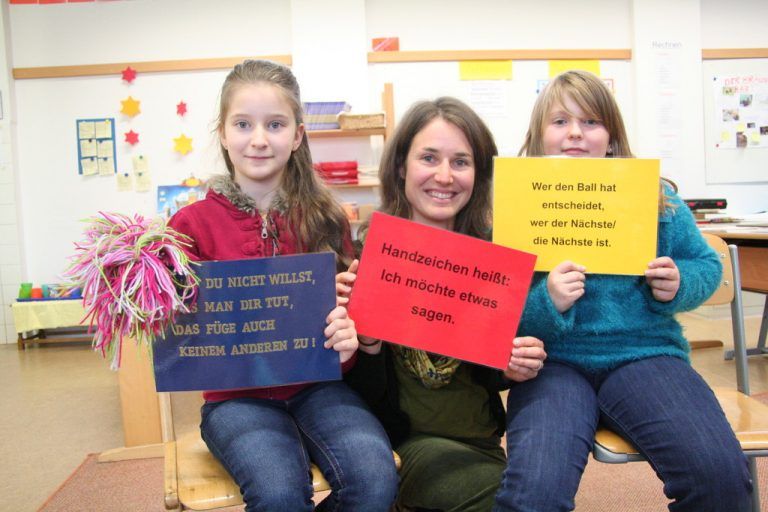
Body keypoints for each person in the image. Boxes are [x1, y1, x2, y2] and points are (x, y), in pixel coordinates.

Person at [494, 70, 752, 512]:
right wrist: (547, 301)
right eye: (559, 122)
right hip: (551, 364)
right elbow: (494, 308)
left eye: (591, 121)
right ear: (538, 137)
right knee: (533, 494)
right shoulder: (511, 206)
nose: (575, 132)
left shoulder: (656, 201)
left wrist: (678, 283)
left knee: (720, 478)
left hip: (646, 356)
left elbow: (706, 265)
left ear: (611, 138)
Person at [167, 59, 398, 512]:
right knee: (278, 495)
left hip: (321, 389)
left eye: (275, 124)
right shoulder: (188, 226)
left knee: (375, 479)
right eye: (243, 124)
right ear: (222, 132)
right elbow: (177, 335)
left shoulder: (326, 218)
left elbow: (347, 327)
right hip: (235, 400)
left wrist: (349, 338)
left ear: (296, 136)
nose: (258, 139)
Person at [338, 97, 547, 512]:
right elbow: (352, 396)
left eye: (461, 162)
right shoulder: (368, 258)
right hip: (402, 448)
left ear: (479, 173)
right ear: (401, 167)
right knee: (522, 502)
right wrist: (366, 343)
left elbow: (491, 379)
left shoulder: (493, 260)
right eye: (429, 158)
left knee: (539, 487)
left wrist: (512, 364)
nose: (444, 176)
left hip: (482, 444)